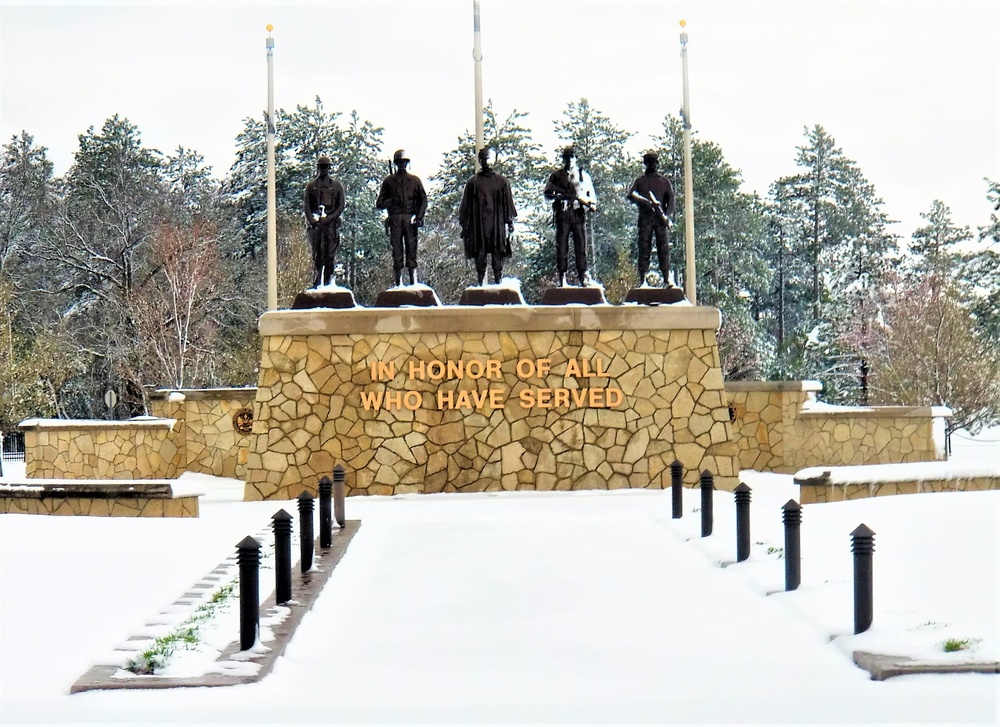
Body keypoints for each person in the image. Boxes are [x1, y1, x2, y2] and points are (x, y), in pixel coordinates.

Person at [459, 148, 517, 285]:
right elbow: (466, 206)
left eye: (488, 159)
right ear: (480, 161)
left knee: (497, 255)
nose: (486, 162)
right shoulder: (473, 182)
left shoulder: (502, 181)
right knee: (480, 254)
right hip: (479, 225)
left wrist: (510, 223)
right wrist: (465, 225)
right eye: (483, 159)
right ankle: (480, 283)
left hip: (497, 224)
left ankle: (498, 282)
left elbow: (507, 203)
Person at [543, 147, 596, 287]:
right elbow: (548, 193)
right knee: (562, 247)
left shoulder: (583, 176)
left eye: (572, 157)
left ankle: (583, 276)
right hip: (563, 213)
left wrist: (588, 203)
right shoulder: (556, 176)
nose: (569, 160)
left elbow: (592, 197)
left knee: (581, 247)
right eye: (567, 157)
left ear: (575, 158)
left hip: (578, 213)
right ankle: (562, 277)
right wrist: (559, 196)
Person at [376, 149, 428, 286]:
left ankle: (413, 280)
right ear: (396, 164)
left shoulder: (415, 180)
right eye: (400, 162)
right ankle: (398, 282)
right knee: (397, 250)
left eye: (404, 162)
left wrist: (419, 217)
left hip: (410, 219)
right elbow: (379, 203)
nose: (402, 165)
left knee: (412, 249)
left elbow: (423, 200)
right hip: (395, 219)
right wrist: (391, 201)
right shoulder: (389, 181)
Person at [626, 151, 676, 286]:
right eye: (649, 162)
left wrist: (667, 215)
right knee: (643, 248)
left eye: (653, 162)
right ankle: (641, 278)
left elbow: (671, 200)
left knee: (663, 249)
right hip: (645, 219)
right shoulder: (640, 181)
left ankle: (666, 277)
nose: (651, 165)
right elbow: (631, 195)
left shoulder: (664, 182)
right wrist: (643, 202)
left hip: (660, 220)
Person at [303, 155, 346, 287]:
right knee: (317, 255)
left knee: (330, 255)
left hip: (331, 226)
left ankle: (328, 282)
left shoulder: (336, 186)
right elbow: (307, 206)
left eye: (326, 167)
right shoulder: (311, 186)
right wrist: (313, 221)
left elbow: (341, 206)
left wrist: (329, 218)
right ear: (318, 168)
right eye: (321, 167)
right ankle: (317, 281)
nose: (324, 170)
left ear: (329, 168)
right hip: (316, 227)